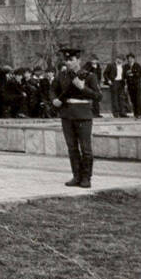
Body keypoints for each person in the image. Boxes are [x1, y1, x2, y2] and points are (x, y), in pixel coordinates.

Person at [51, 48, 101, 188]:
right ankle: (76, 176)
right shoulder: (62, 75)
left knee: (86, 148)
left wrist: (83, 88)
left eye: (71, 60)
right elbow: (53, 89)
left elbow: (98, 96)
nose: (68, 62)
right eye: (66, 60)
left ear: (78, 60)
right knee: (72, 147)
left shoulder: (89, 75)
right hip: (67, 115)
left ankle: (86, 178)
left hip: (83, 115)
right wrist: (54, 99)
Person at [126, 54, 141, 119]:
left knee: (138, 99)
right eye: (129, 58)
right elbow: (124, 74)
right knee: (133, 100)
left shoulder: (137, 65)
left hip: (136, 85)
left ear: (133, 59)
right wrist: (127, 73)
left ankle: (139, 113)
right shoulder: (126, 66)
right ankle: (135, 113)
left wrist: (133, 73)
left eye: (131, 58)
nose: (130, 60)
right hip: (130, 85)